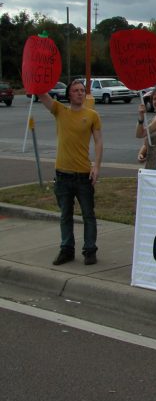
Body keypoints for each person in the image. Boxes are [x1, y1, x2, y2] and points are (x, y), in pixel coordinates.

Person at [37, 80, 103, 266]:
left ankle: (90, 250)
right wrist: (34, 76)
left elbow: (98, 141)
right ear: (69, 94)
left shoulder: (92, 115)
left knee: (88, 215)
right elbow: (42, 94)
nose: (80, 93)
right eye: (75, 90)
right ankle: (67, 249)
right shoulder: (60, 111)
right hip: (63, 174)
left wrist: (96, 166)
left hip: (83, 175)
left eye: (82, 90)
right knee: (65, 214)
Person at [136, 87, 156, 169]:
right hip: (151, 162)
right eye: (154, 99)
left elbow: (140, 134)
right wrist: (141, 153)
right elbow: (146, 142)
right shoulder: (152, 119)